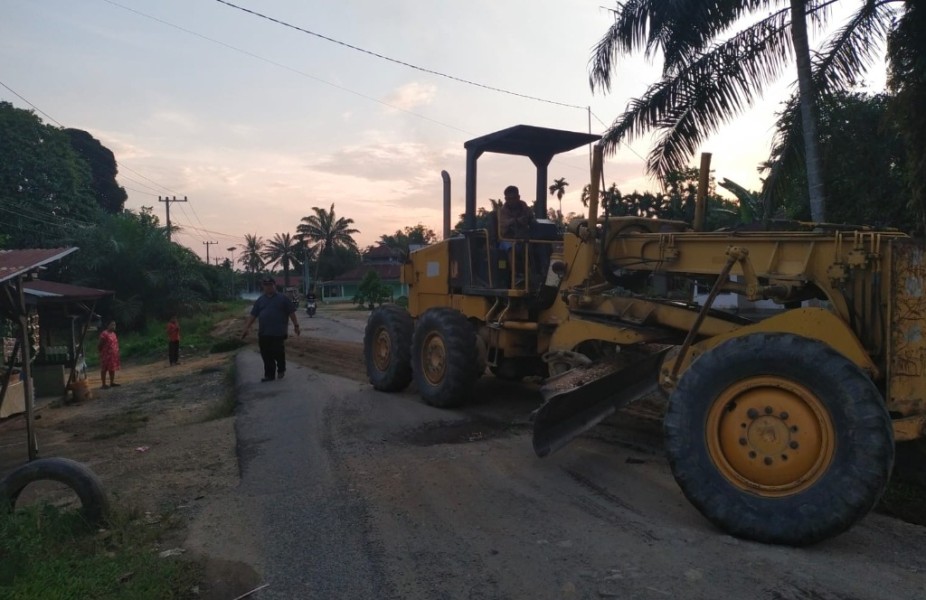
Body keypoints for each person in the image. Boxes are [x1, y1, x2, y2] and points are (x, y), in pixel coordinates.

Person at [241, 276, 301, 382]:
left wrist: (296, 325)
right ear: (263, 287)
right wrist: (246, 328)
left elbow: (291, 312)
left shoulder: (283, 299)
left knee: (278, 352)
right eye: (266, 285)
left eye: (270, 285)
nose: (268, 287)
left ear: (274, 286)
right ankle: (269, 375)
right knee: (266, 354)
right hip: (264, 332)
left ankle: (281, 368)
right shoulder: (260, 300)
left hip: (278, 332)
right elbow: (253, 315)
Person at [98, 320, 121, 389]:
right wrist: (101, 352)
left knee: (112, 369)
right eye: (112, 325)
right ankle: (103, 384)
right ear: (108, 325)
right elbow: (100, 344)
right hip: (106, 355)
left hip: (113, 355)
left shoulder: (114, 334)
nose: (113, 326)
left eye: (114, 325)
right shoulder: (104, 334)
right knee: (104, 369)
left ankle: (112, 382)